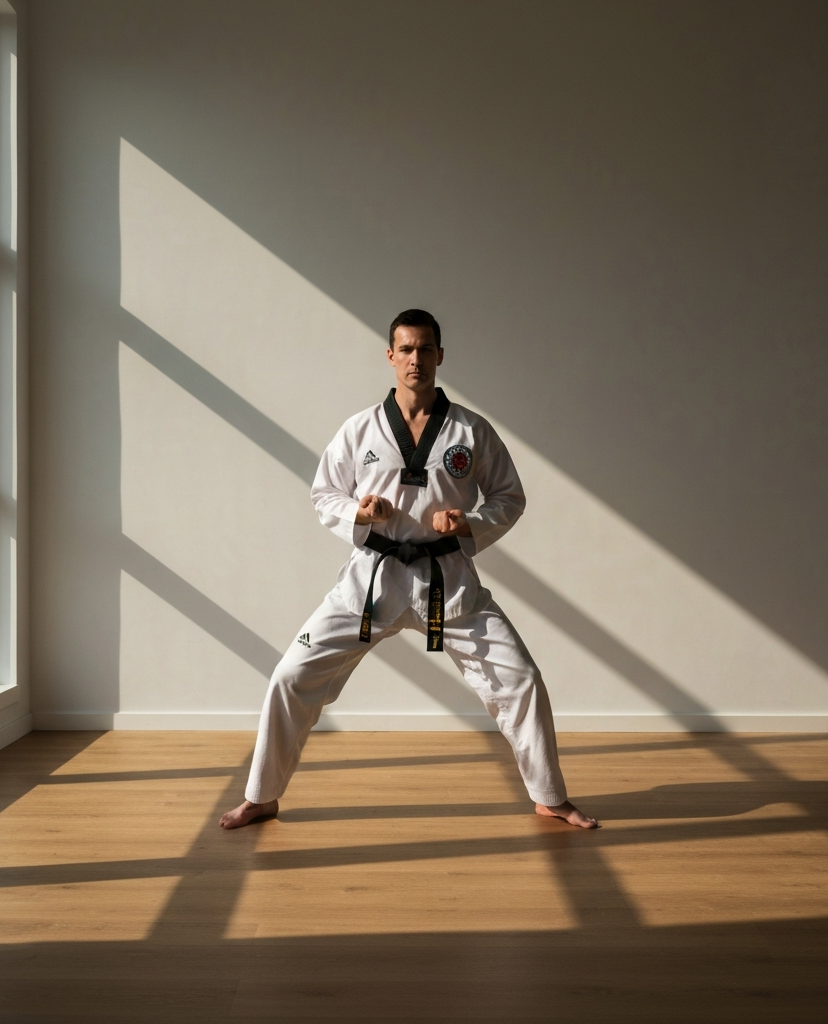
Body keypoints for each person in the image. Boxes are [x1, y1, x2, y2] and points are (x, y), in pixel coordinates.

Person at [220, 309, 599, 830]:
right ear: (390, 355)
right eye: (406, 349)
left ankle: (549, 795)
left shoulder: (471, 430)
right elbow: (323, 492)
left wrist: (467, 523)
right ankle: (262, 795)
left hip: (448, 583)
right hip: (371, 582)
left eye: (425, 349)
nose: (415, 359)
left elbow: (510, 498)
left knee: (522, 680)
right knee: (290, 675)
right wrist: (359, 512)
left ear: (440, 356)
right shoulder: (360, 430)